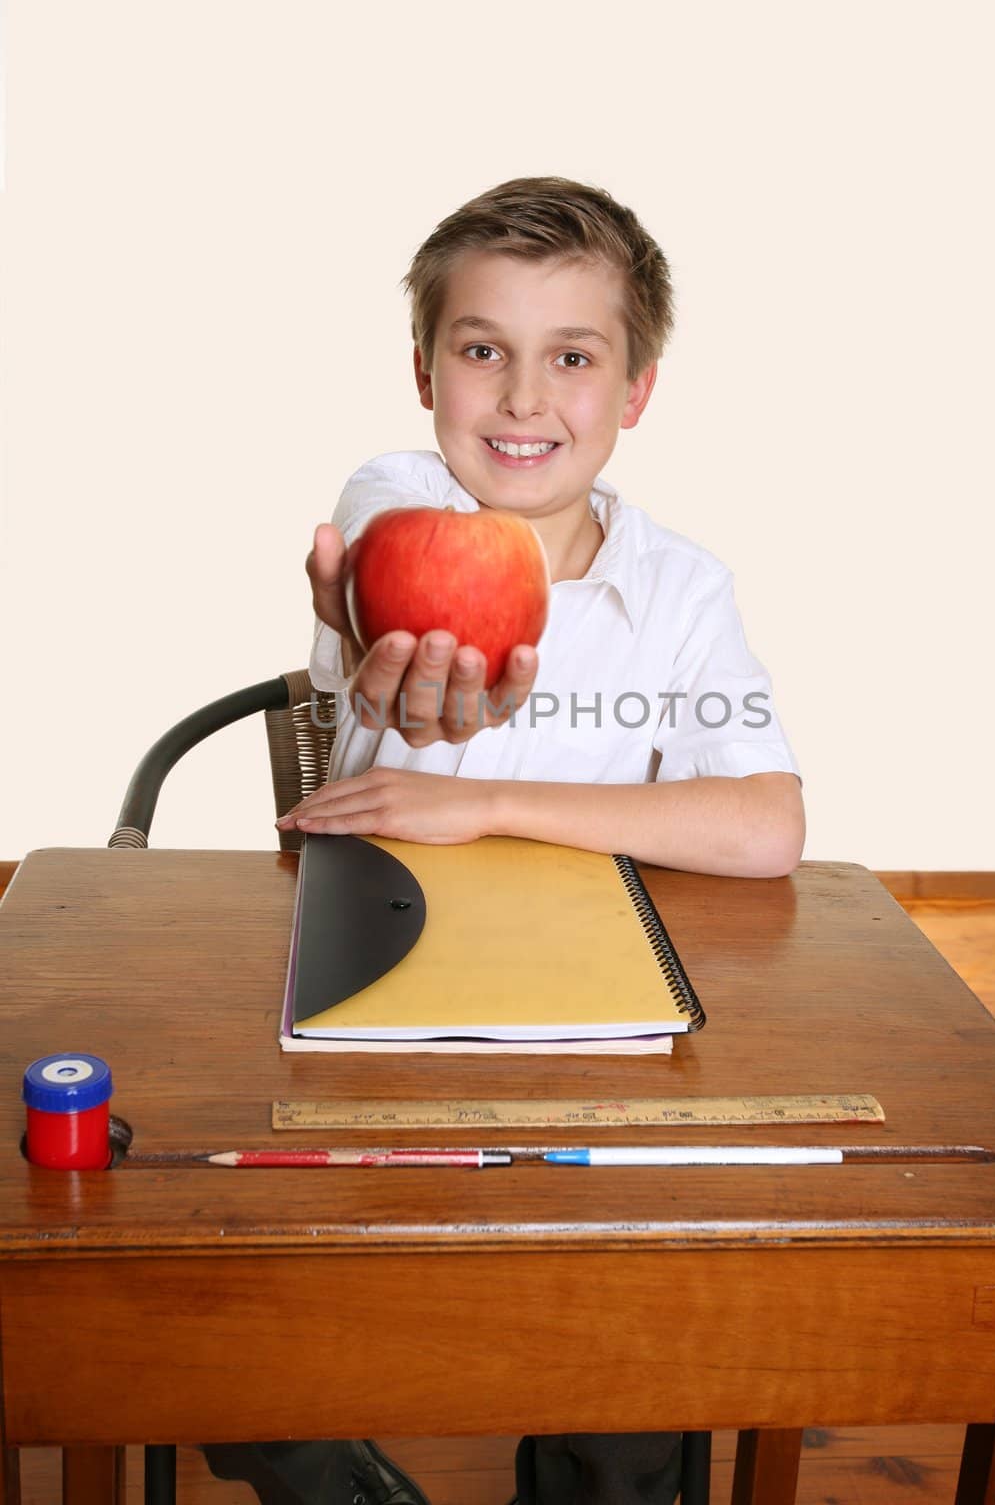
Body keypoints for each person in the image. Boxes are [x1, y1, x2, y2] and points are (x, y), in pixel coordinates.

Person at [207, 175, 804, 1505]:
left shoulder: (680, 586)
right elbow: (371, 575)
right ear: (425, 373)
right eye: (482, 351)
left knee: (636, 1347)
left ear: (636, 389)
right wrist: (365, 627)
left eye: (571, 358)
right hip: (371, 1008)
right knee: (224, 1320)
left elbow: (766, 825)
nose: (523, 400)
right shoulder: (394, 497)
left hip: (589, 1019)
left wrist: (482, 799)